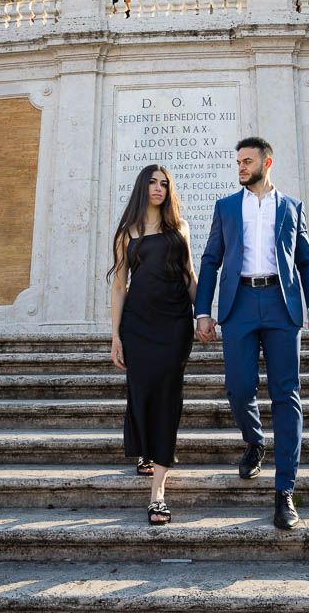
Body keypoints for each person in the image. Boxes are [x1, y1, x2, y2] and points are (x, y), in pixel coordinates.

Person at [194, 137, 309, 530]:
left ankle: (284, 490)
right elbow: (211, 259)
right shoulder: (227, 207)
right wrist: (203, 312)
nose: (240, 167)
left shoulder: (291, 207)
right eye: (237, 162)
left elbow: (306, 258)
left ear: (267, 162)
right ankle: (255, 440)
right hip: (240, 306)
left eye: (247, 161)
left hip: (282, 305)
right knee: (237, 387)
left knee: (286, 395)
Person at [108, 164, 197, 526]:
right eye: (152, 183)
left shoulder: (180, 229)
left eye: (164, 184)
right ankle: (144, 452)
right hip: (139, 326)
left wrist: (204, 314)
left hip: (175, 324)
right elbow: (118, 286)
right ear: (142, 188)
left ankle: (158, 492)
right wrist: (116, 335)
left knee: (167, 396)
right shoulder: (127, 233)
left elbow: (190, 275)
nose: (158, 188)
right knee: (140, 389)